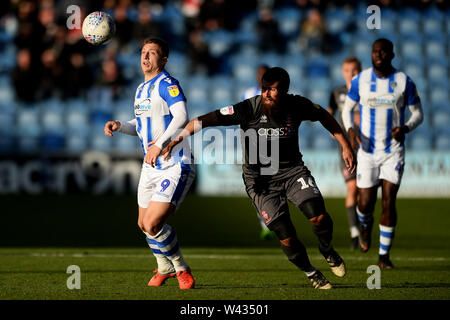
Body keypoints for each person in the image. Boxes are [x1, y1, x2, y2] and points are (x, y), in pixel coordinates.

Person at [161, 67, 356, 289]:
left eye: (274, 90)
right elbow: (204, 120)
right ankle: (312, 273)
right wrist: (178, 138)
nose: (268, 94)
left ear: (285, 91)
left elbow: (324, 116)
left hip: (293, 171)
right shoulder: (248, 108)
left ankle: (326, 248)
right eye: (265, 89)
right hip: (259, 181)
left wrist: (345, 145)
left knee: (319, 217)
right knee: (286, 235)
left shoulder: (297, 105)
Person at [104, 38, 196, 289]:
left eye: (152, 53)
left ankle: (180, 267)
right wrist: (120, 125)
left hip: (175, 162)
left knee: (154, 223)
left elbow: (182, 116)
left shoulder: (168, 84)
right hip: (151, 166)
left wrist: (159, 144)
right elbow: (141, 124)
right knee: (143, 224)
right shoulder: (141, 89)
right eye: (143, 52)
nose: (145, 57)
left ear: (163, 59)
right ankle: (163, 266)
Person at [342, 38, 424, 269]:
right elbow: (347, 109)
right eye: (375, 51)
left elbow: (418, 114)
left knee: (389, 201)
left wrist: (405, 128)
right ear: (371, 54)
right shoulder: (361, 80)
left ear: (391, 55)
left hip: (393, 152)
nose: (379, 55)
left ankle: (384, 256)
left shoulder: (403, 81)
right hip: (367, 152)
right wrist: (350, 130)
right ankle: (365, 228)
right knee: (365, 202)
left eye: (383, 52)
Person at [327, 56, 362, 250]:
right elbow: (328, 113)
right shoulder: (337, 92)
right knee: (352, 188)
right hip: (346, 148)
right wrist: (332, 128)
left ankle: (362, 225)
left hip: (367, 147)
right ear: (343, 72)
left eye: (355, 70)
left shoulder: (367, 91)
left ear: (361, 70)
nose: (351, 74)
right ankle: (354, 232)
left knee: (364, 191)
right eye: (348, 70)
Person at [241, 64, 276, 240]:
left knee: (273, 184)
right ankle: (264, 223)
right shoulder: (247, 94)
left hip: (273, 142)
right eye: (260, 74)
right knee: (256, 185)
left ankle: (273, 218)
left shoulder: (276, 95)